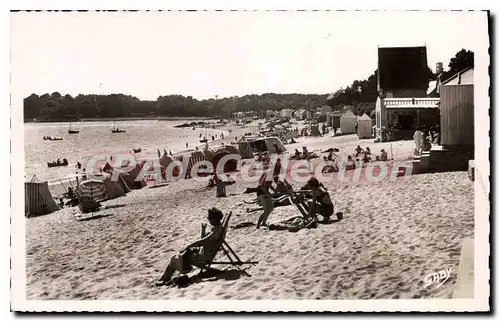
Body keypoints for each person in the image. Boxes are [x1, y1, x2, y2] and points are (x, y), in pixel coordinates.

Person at [155, 208, 225, 286]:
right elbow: (203, 239)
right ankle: (164, 278)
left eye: (209, 218)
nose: (208, 219)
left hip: (204, 256)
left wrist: (188, 246)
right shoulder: (216, 228)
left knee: (176, 258)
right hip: (204, 252)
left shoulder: (216, 231)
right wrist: (203, 229)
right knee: (180, 255)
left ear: (215, 219)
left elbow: (202, 241)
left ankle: (165, 279)